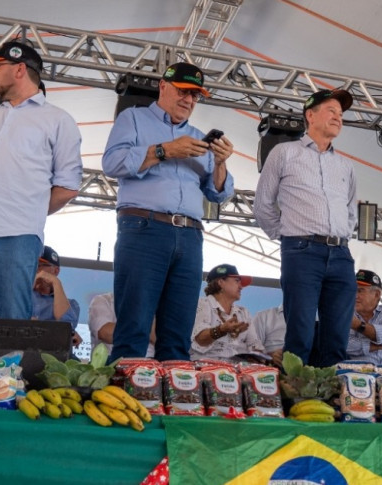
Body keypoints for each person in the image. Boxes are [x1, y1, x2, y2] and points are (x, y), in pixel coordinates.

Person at [102, 62, 234, 361]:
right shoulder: (133, 118)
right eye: (183, 91)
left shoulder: (199, 136)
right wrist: (165, 150)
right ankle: (123, 388)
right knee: (134, 327)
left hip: (190, 235)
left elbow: (218, 193)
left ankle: (172, 388)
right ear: (163, 86)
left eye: (195, 95)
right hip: (144, 228)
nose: (189, 100)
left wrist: (221, 162)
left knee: (178, 332)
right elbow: (112, 163)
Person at [0, 41, 82, 322]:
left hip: (17, 232)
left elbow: (68, 187)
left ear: (19, 69)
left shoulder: (58, 120)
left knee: (12, 319)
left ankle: (8, 356)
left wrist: (27, 211)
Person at [254, 88, 357, 367]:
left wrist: (341, 237)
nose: (338, 117)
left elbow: (351, 212)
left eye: (341, 114)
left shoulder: (346, 165)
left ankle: (331, 393)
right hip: (301, 251)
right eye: (331, 111)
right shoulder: (284, 152)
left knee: (338, 338)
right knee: (300, 334)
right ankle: (297, 393)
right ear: (310, 115)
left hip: (341, 254)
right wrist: (289, 237)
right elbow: (262, 204)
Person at [190, 264, 263, 360]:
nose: (241, 287)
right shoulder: (202, 304)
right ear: (221, 282)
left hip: (237, 367)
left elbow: (254, 344)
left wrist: (260, 357)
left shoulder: (243, 312)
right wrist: (221, 330)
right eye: (237, 281)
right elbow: (200, 340)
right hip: (205, 366)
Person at [31, 246, 82, 350]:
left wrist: (56, 282)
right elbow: (12, 321)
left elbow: (66, 327)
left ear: (55, 271)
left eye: (40, 265)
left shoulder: (71, 304)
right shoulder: (20, 297)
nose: (35, 270)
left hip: (54, 353)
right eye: (32, 265)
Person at [347, 270, 382, 365]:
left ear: (376, 294)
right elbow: (345, 346)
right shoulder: (347, 314)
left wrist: (357, 325)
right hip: (358, 372)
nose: (355, 296)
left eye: (360, 291)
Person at [87, 292, 155, 357]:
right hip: (115, 360)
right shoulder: (103, 300)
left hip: (152, 361)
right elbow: (105, 333)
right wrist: (146, 330)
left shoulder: (155, 304)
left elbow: (158, 338)